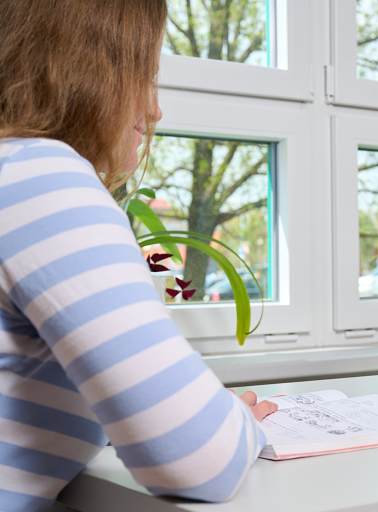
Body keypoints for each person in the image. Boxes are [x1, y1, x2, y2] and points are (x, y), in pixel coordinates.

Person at [0, 2, 277, 511]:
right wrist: (232, 423)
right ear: (82, 70)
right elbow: (197, 460)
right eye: (143, 75)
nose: (154, 110)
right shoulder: (39, 176)